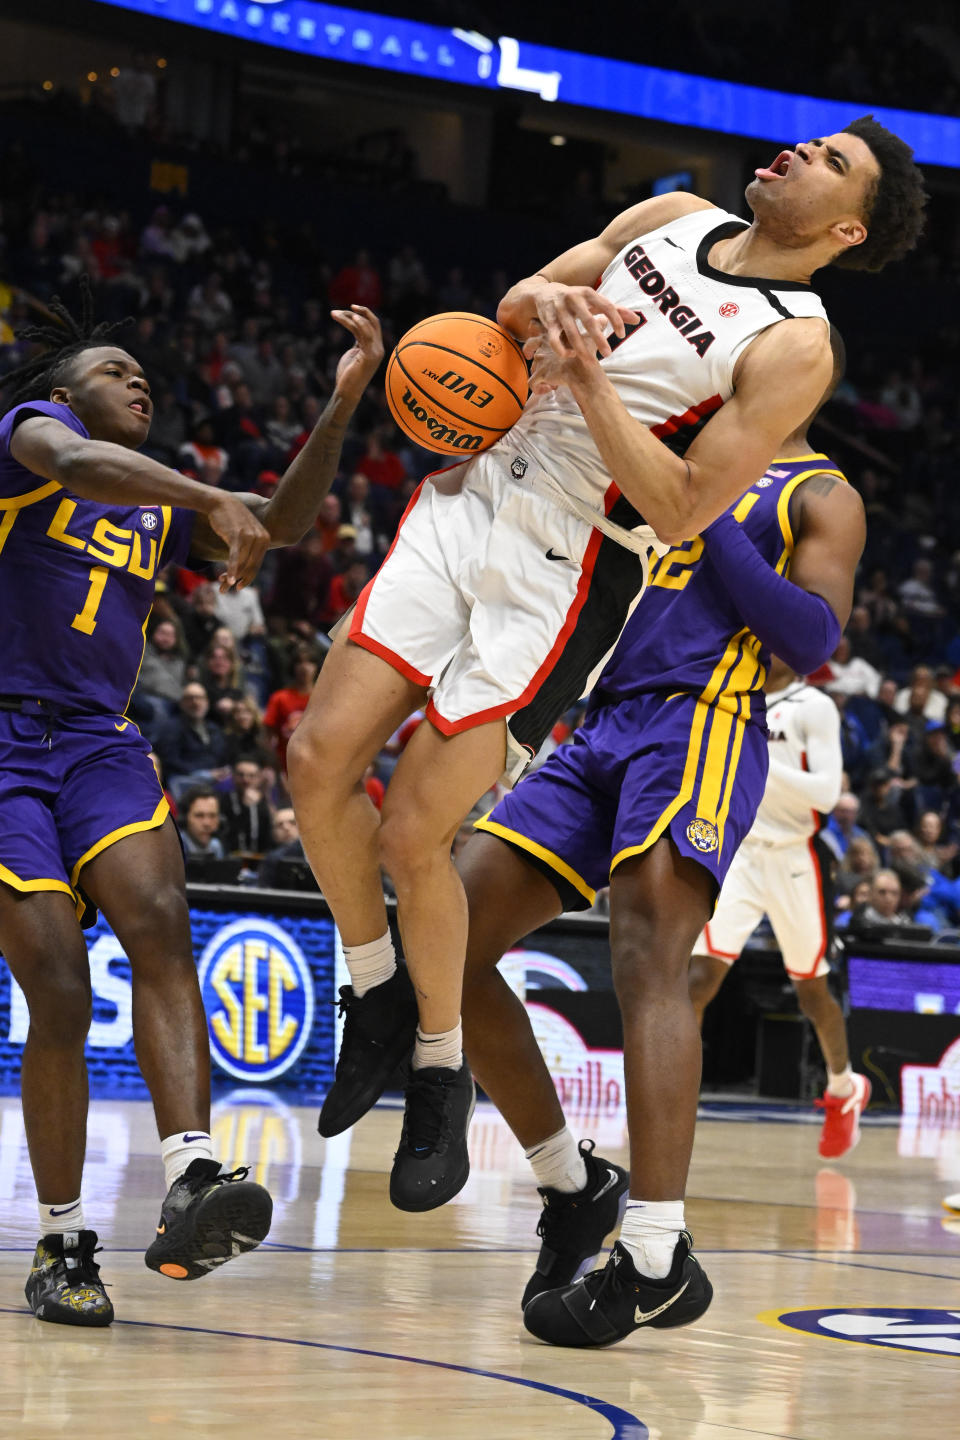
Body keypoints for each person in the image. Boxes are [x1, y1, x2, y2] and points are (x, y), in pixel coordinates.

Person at [288, 118, 926, 1214]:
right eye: (804, 143)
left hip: (573, 561)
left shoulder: (798, 345)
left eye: (828, 161)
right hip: (480, 486)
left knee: (414, 832)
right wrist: (549, 309)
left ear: (848, 226)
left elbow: (683, 507)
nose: (792, 154)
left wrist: (585, 379)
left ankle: (446, 1081)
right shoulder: (671, 217)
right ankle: (380, 993)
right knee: (312, 758)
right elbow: (524, 298)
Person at [0, 286, 383, 1326]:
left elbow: (282, 526)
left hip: (98, 744)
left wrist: (340, 407)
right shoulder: (27, 437)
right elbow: (80, 465)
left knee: (164, 922)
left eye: (149, 380)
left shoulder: (152, 501)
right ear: (63, 389)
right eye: (117, 370)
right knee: (61, 992)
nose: (141, 384)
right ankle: (63, 1240)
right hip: (3, 742)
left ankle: (196, 1174)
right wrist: (203, 497)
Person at [452, 392, 866, 1347]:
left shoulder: (822, 492)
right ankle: (571, 1182)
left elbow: (809, 642)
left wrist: (704, 513)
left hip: (704, 719)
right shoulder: (659, 455)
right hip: (595, 726)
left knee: (651, 962)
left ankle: (653, 1250)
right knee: (446, 943)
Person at [688, 657, 872, 1160]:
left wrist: (758, 759)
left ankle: (843, 1088)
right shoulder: (734, 696)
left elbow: (828, 793)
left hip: (797, 857)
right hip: (741, 851)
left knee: (811, 991)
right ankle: (674, 1094)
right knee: (698, 982)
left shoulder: (814, 706)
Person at [178, 786, 225, 860]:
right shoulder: (176, 846)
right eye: (199, 815)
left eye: (212, 816)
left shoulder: (215, 846)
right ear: (184, 818)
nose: (207, 823)